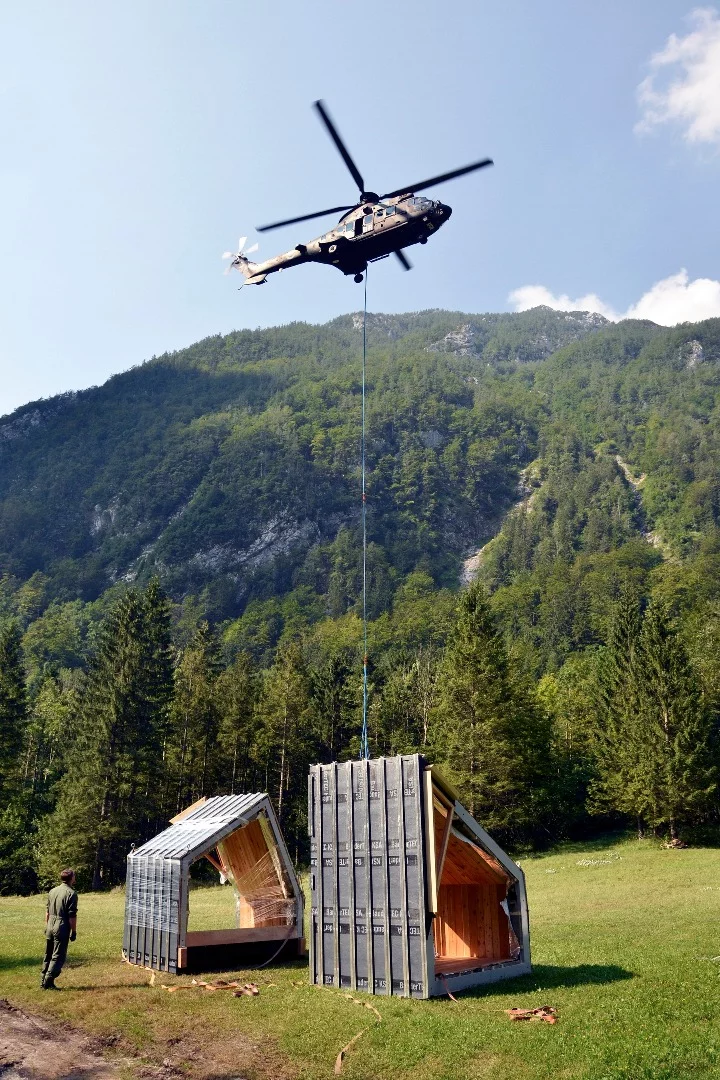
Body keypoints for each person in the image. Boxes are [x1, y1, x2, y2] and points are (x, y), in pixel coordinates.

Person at [41, 868, 78, 990]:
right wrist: (73, 931)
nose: (75, 877)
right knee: (58, 955)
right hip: (61, 925)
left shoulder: (52, 891)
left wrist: (47, 926)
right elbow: (72, 916)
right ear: (71, 878)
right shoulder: (71, 893)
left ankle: (43, 979)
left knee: (48, 953)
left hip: (50, 923)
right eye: (74, 876)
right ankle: (48, 981)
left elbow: (47, 912)